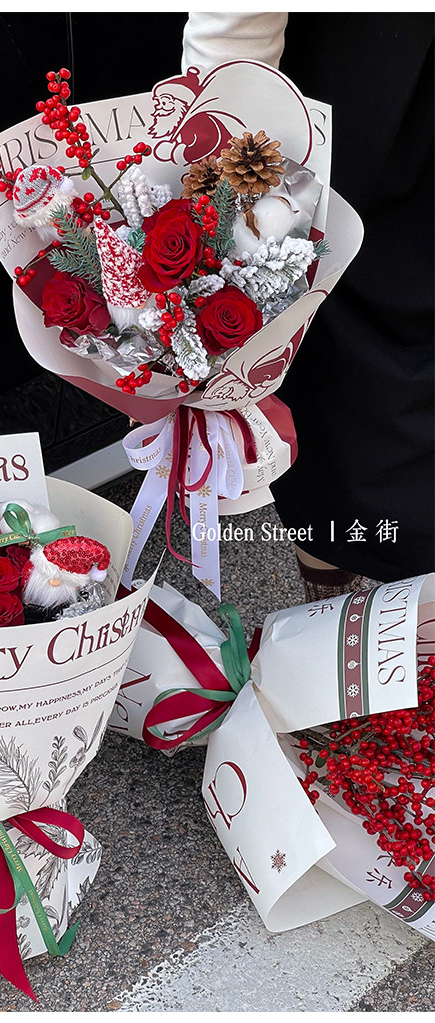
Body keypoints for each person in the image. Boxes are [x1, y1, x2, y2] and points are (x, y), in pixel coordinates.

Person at [182, 11, 434, 599]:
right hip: (373, 92)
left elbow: (235, 26)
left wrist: (203, 181)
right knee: (349, 377)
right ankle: (341, 619)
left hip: (369, 97)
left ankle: (348, 617)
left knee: (346, 361)